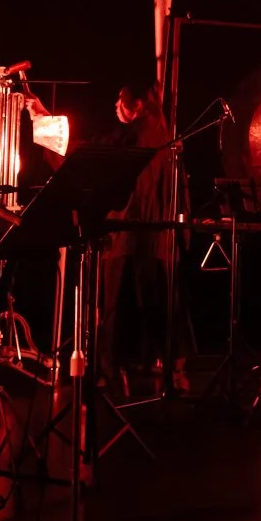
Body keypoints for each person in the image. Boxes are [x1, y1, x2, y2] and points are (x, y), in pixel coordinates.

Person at [100, 77, 178, 391]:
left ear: (138, 105)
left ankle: (111, 368)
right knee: (151, 299)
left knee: (116, 303)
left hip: (129, 229)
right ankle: (162, 364)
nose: (115, 106)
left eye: (121, 100)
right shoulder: (161, 133)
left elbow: (104, 154)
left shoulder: (137, 136)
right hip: (152, 232)